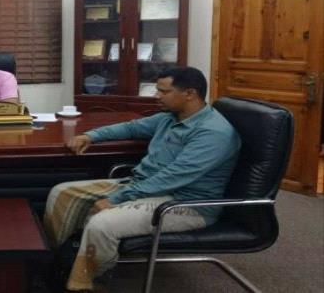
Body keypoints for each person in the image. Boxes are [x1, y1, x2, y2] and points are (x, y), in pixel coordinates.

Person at [44, 67, 240, 292]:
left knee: (102, 224)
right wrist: (90, 135)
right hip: (144, 186)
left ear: (190, 94)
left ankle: (86, 282)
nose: (157, 96)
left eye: (164, 91)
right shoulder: (170, 118)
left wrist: (117, 198)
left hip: (186, 203)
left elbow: (174, 177)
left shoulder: (213, 132)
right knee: (61, 193)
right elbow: (131, 128)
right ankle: (56, 260)